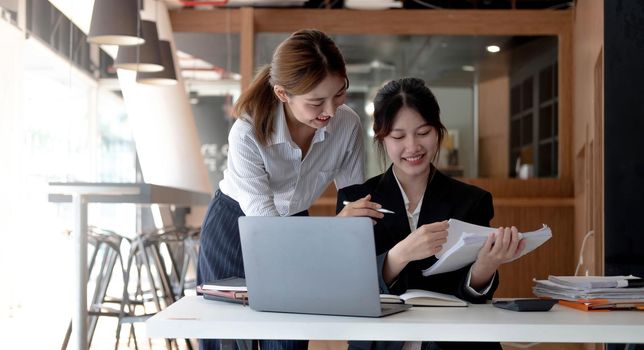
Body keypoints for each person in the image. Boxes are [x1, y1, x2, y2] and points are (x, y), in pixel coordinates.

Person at [197, 29, 379, 350]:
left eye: (339, 94)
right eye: (315, 102)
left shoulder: (346, 124)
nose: (331, 110)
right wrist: (336, 228)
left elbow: (353, 200)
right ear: (283, 94)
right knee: (229, 336)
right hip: (234, 227)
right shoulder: (248, 133)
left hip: (294, 223)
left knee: (288, 336)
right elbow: (268, 233)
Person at [337, 77, 525, 350]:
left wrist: (486, 265)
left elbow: (472, 297)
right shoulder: (355, 200)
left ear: (438, 131)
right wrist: (399, 255)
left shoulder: (472, 201)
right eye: (398, 136)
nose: (412, 147)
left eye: (423, 132)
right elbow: (350, 290)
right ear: (381, 136)